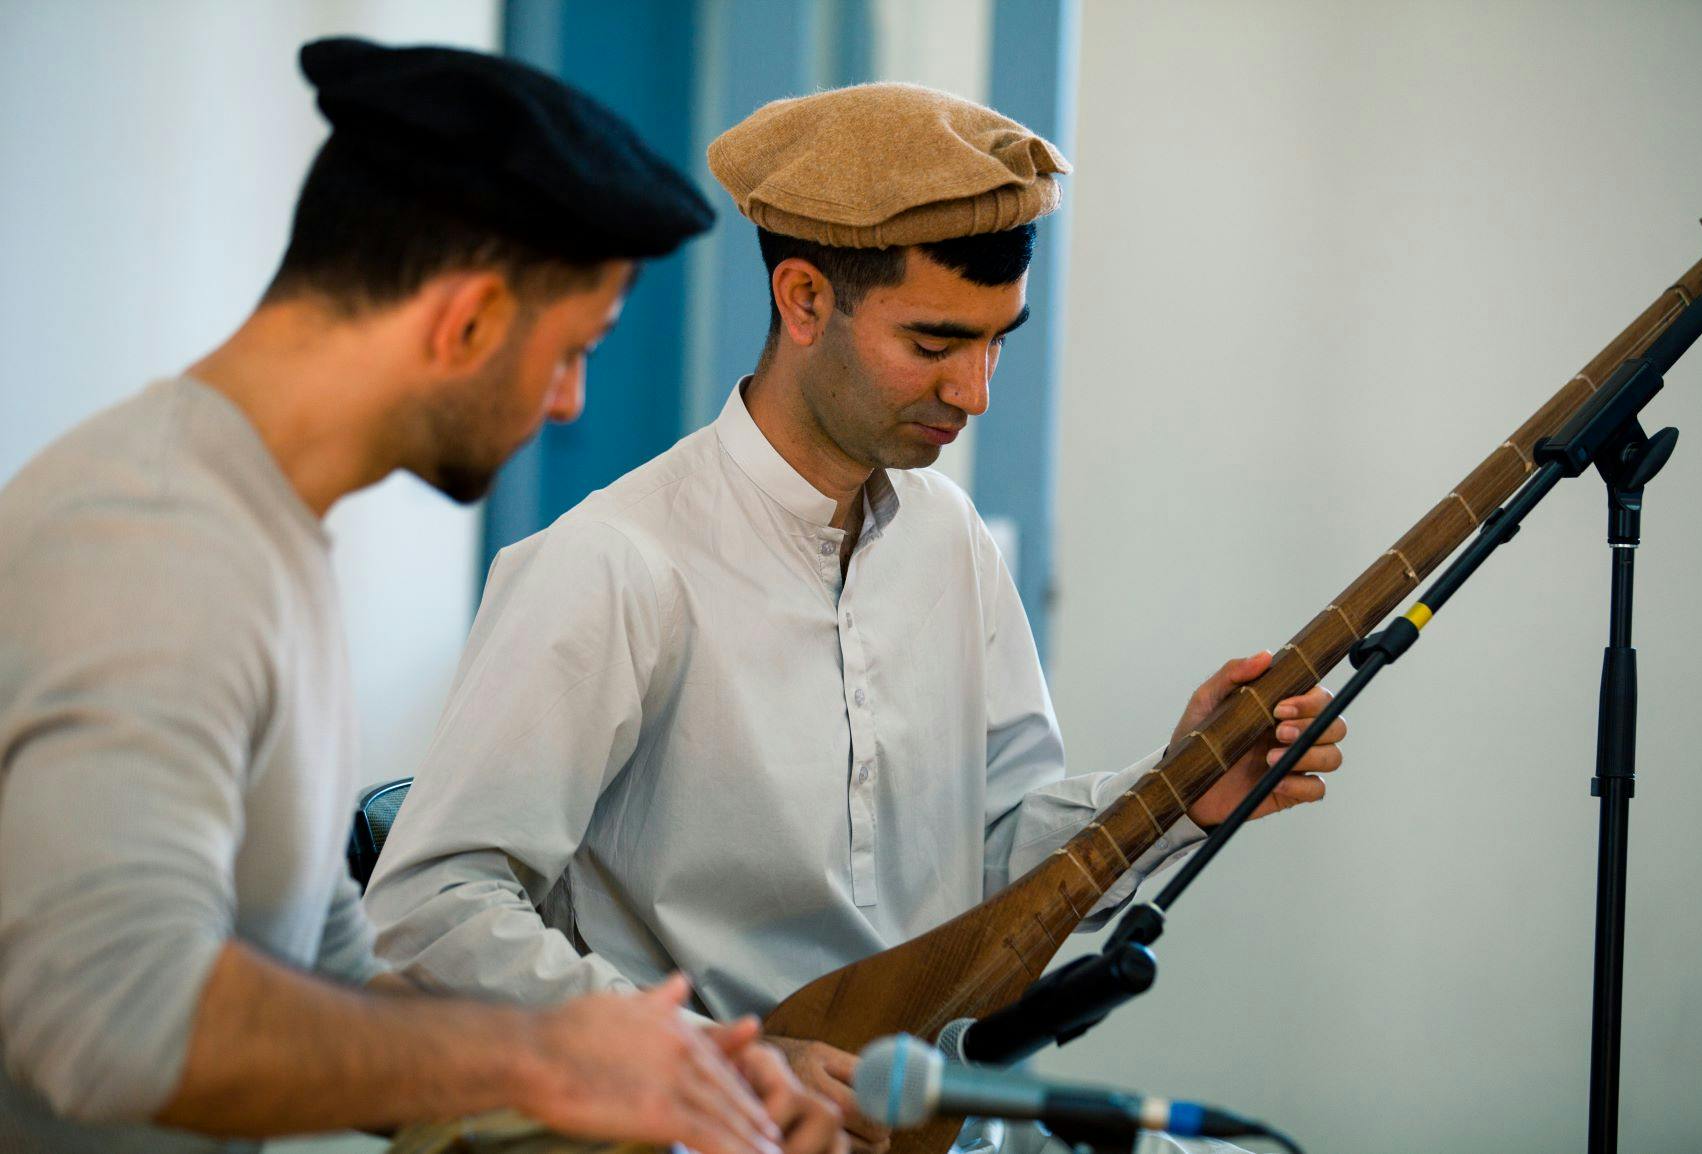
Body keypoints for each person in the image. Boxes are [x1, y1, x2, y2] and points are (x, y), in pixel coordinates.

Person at [362, 83, 1346, 1152]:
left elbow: (992, 857)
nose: (972, 390)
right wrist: (707, 1055)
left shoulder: (951, 542)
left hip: (943, 1122)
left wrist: (1177, 792)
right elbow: (433, 905)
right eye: (932, 341)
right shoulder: (611, 563)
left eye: (996, 341)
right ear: (801, 299)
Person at [0, 38, 839, 1154]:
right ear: (468, 321)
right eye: (570, 352)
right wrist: (543, 1055)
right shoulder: (155, 543)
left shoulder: (266, 531)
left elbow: (328, 977)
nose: (571, 403)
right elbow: (115, 1021)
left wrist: (663, 1064)